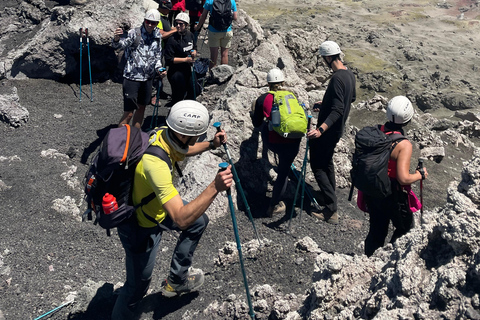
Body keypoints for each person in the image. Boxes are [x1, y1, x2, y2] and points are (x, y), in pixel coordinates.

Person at [111, 100, 233, 319]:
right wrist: (215, 186)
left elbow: (183, 149)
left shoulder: (163, 134)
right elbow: (181, 219)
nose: (196, 139)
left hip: (154, 209)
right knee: (137, 287)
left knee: (200, 221)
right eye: (197, 135)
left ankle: (176, 280)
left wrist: (211, 144)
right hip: (140, 226)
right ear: (184, 134)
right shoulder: (155, 165)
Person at [363, 96, 427, 257]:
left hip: (373, 189)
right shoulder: (403, 144)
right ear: (408, 119)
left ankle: (369, 260)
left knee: (376, 229)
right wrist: (420, 175)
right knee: (405, 228)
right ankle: (389, 259)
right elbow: (403, 178)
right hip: (392, 194)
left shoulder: (377, 131)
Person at [307, 40, 356, 225]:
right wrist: (325, 103)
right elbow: (349, 98)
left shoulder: (336, 78)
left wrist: (320, 130)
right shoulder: (349, 74)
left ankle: (331, 210)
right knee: (327, 162)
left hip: (328, 131)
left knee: (317, 166)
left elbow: (337, 110)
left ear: (328, 57)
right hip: (338, 129)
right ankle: (330, 196)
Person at [251, 69, 302, 217]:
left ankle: (266, 155)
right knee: (283, 173)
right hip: (293, 141)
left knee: (265, 127)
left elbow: (257, 123)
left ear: (268, 84)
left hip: (274, 142)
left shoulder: (263, 98)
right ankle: (274, 205)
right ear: (283, 82)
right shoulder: (291, 96)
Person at [112, 9, 166, 128]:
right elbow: (119, 46)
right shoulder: (134, 33)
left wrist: (160, 69)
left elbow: (157, 57)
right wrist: (116, 39)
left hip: (147, 79)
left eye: (154, 22)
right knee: (129, 113)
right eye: (148, 21)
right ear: (144, 20)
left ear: (157, 23)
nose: (150, 25)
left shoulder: (158, 36)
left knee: (141, 108)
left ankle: (135, 136)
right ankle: (120, 141)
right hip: (132, 78)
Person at [164, 12, 198, 105]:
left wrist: (194, 52)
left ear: (186, 25)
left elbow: (194, 47)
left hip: (188, 68)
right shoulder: (172, 39)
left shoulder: (190, 35)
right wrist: (185, 60)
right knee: (178, 94)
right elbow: (169, 59)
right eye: (176, 24)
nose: (178, 26)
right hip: (176, 70)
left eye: (181, 24)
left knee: (195, 90)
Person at [194, 0, 238, 70]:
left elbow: (203, 16)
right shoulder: (231, 1)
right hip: (227, 31)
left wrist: (198, 26)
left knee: (213, 56)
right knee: (224, 54)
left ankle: (212, 76)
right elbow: (235, 17)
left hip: (213, 31)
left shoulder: (210, 1)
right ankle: (224, 75)